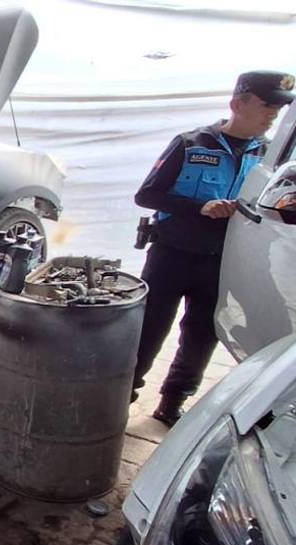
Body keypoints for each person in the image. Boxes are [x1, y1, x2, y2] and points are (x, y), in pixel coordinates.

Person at [133, 70, 294, 426]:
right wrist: (199, 207)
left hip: (223, 262)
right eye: (267, 106)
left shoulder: (269, 159)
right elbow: (146, 195)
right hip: (171, 256)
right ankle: (123, 395)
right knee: (148, 330)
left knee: (202, 336)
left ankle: (173, 402)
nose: (273, 115)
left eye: (279, 109)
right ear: (238, 104)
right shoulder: (191, 144)